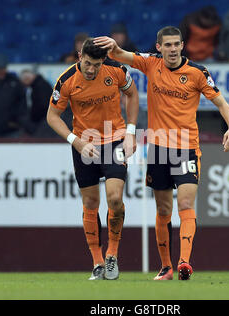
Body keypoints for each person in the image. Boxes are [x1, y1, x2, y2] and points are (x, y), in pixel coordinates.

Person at [94, 26, 229, 281]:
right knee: (163, 210)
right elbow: (122, 55)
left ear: (183, 46)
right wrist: (113, 48)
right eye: (167, 45)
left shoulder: (197, 72)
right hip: (159, 148)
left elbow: (221, 103)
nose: (172, 49)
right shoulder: (151, 64)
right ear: (159, 47)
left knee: (184, 204)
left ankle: (184, 262)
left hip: (186, 147)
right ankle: (166, 267)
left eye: (176, 45)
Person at [47, 38, 139, 280]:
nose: (91, 70)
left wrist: (130, 132)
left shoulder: (116, 71)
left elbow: (132, 94)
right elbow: (52, 116)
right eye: (88, 63)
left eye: (96, 65)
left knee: (115, 199)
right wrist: (75, 142)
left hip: (115, 139)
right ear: (80, 56)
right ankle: (97, 263)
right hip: (84, 143)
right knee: (90, 203)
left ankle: (112, 256)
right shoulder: (66, 80)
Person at [20, 69, 56, 137]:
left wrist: (33, 117)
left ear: (27, 79)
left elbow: (43, 105)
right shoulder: (41, 84)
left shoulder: (39, 87)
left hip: (44, 120)